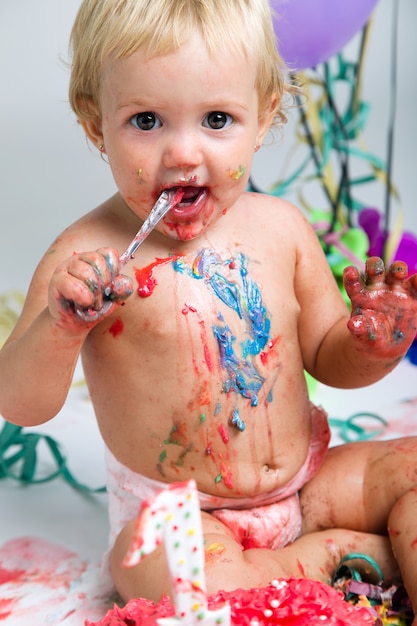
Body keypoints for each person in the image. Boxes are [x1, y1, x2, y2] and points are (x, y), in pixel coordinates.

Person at [1, 0, 417, 618]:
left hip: (306, 486)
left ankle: (309, 556)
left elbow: (330, 357)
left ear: (266, 114)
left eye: (217, 118)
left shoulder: (282, 228)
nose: (184, 153)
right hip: (182, 515)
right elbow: (20, 403)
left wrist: (369, 347)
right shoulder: (84, 257)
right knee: (187, 581)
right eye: (147, 121)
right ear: (96, 125)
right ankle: (339, 560)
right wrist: (60, 325)